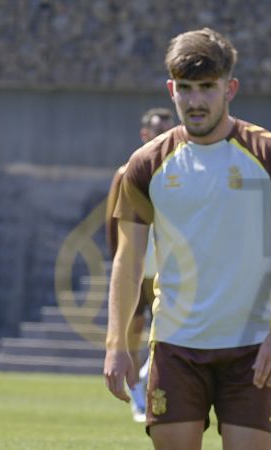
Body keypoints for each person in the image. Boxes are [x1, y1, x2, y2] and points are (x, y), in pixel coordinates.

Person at [103, 28, 271, 450]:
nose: (196, 101)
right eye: (185, 89)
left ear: (229, 89)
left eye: (207, 88)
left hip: (252, 349)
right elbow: (127, 261)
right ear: (171, 89)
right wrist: (116, 344)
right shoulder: (146, 164)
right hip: (176, 346)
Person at [105, 107, 175, 422]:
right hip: (138, 269)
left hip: (167, 270)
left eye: (168, 129)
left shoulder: (179, 174)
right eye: (158, 130)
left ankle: (149, 380)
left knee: (167, 331)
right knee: (133, 332)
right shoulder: (127, 173)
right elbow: (113, 224)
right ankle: (136, 396)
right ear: (144, 135)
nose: (164, 136)